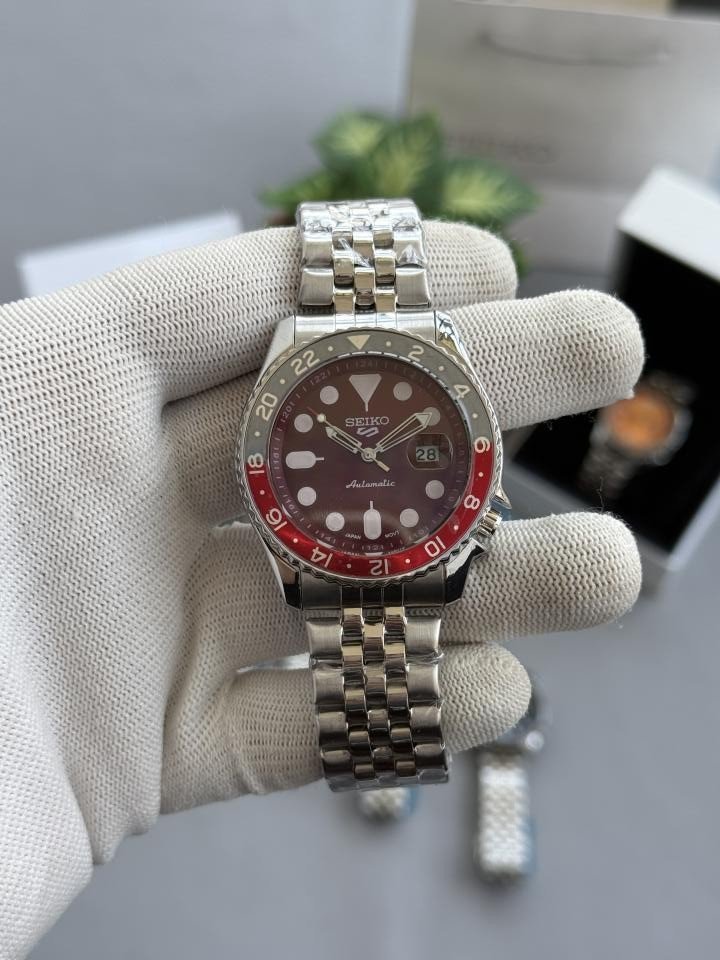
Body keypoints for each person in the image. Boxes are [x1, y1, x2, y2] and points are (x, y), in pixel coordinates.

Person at [0, 221, 643, 958]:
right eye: (354, 446)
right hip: (339, 548)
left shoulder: (377, 428)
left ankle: (383, 750)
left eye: (379, 446)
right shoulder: (298, 441)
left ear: (484, 480)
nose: (368, 454)